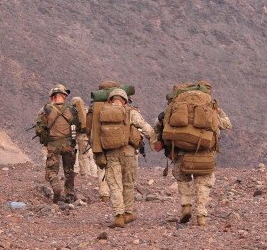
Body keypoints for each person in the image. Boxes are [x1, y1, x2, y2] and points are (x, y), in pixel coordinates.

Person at [160, 81, 230, 226]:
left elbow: (161, 124)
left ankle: (186, 206)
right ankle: (201, 216)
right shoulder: (209, 110)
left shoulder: (178, 106)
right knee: (203, 184)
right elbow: (226, 124)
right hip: (204, 152)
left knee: (182, 180)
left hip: (181, 151)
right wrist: (218, 111)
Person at [97, 88, 159, 228]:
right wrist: (154, 143)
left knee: (115, 185)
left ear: (111, 100)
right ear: (125, 100)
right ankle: (128, 213)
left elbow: (94, 135)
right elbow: (146, 128)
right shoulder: (131, 112)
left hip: (111, 154)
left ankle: (118, 216)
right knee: (128, 184)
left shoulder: (102, 112)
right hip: (129, 153)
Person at [36, 84, 81, 204]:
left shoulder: (46, 110)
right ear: (64, 96)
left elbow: (38, 130)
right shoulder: (72, 110)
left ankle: (56, 188)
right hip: (68, 144)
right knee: (69, 170)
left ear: (52, 97)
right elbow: (78, 127)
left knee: (51, 170)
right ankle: (69, 196)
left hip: (53, 144)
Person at [71, 96, 97, 178]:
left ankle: (82, 172)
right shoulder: (86, 111)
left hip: (76, 135)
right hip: (86, 136)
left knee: (77, 153)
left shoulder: (72, 112)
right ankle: (91, 173)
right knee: (87, 155)